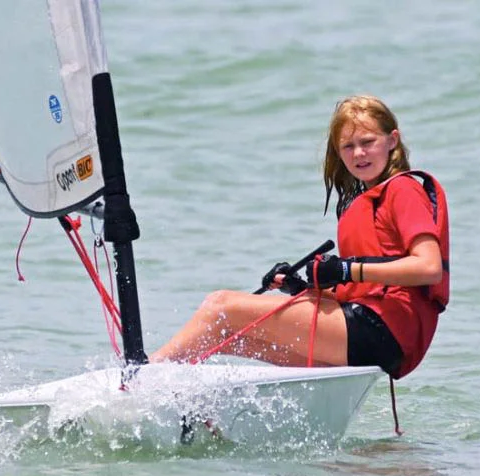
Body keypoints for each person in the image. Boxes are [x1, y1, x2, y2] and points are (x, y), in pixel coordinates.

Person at [151, 95, 449, 379]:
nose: (358, 153)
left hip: (383, 330)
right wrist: (300, 287)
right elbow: (366, 288)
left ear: (392, 140)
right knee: (227, 335)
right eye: (348, 146)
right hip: (372, 336)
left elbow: (429, 268)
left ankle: (141, 378)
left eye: (368, 142)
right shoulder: (368, 201)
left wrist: (346, 269)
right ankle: (181, 405)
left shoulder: (403, 189)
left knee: (219, 306)